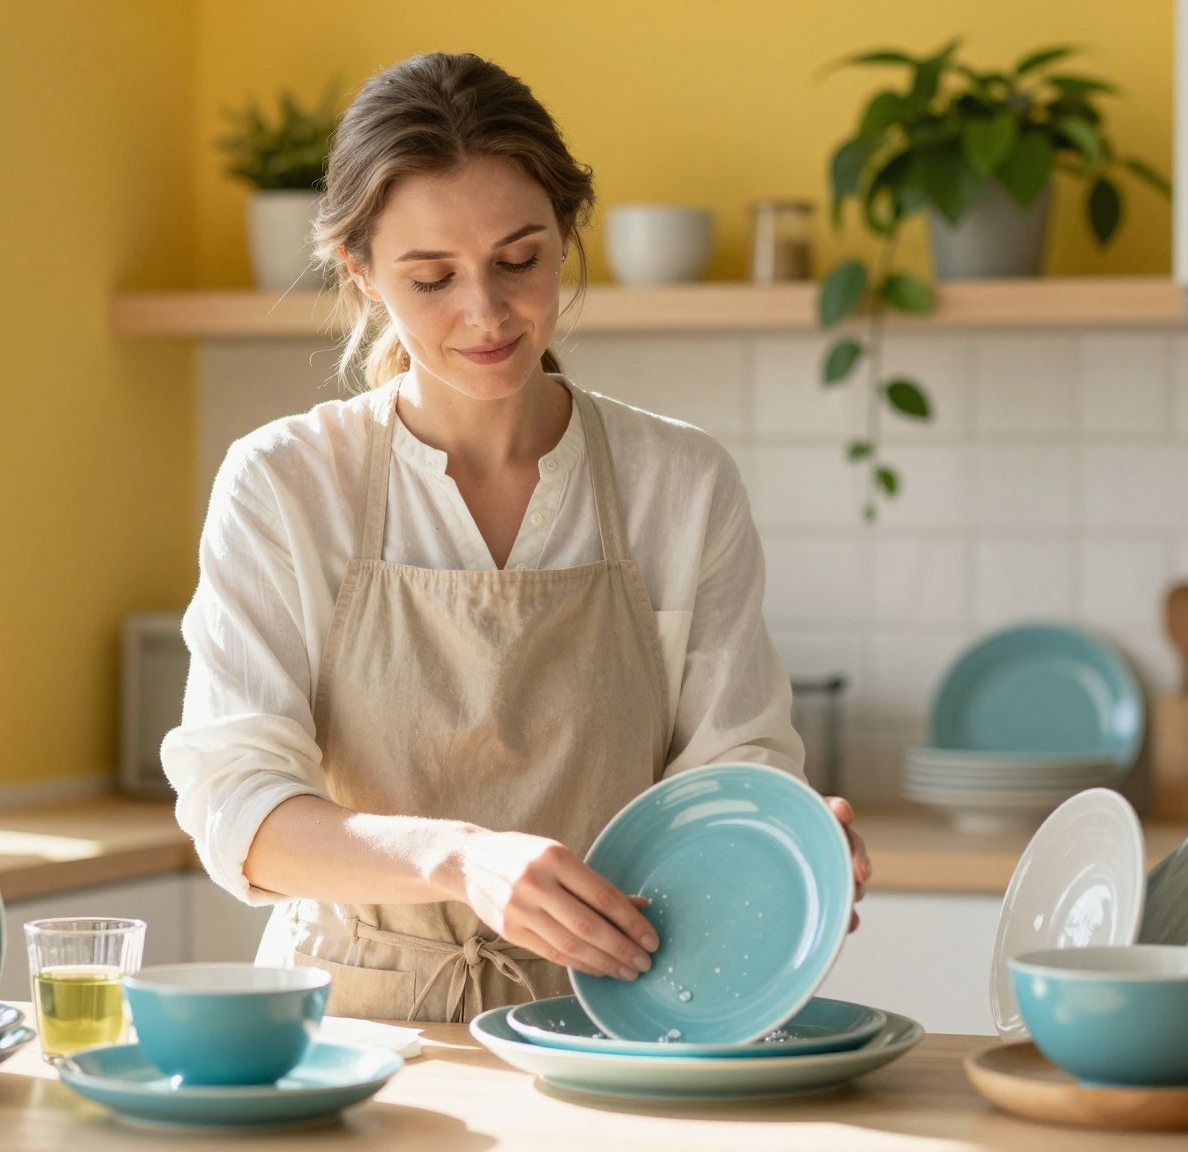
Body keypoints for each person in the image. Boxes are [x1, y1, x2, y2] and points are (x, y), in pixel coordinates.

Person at [163, 51, 869, 1024]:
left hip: (614, 1018)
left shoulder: (681, 484)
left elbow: (731, 771)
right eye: (430, 276)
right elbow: (237, 812)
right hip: (349, 1030)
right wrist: (463, 857)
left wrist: (786, 851)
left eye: (518, 260)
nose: (486, 313)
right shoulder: (284, 484)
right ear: (360, 272)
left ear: (566, 232)